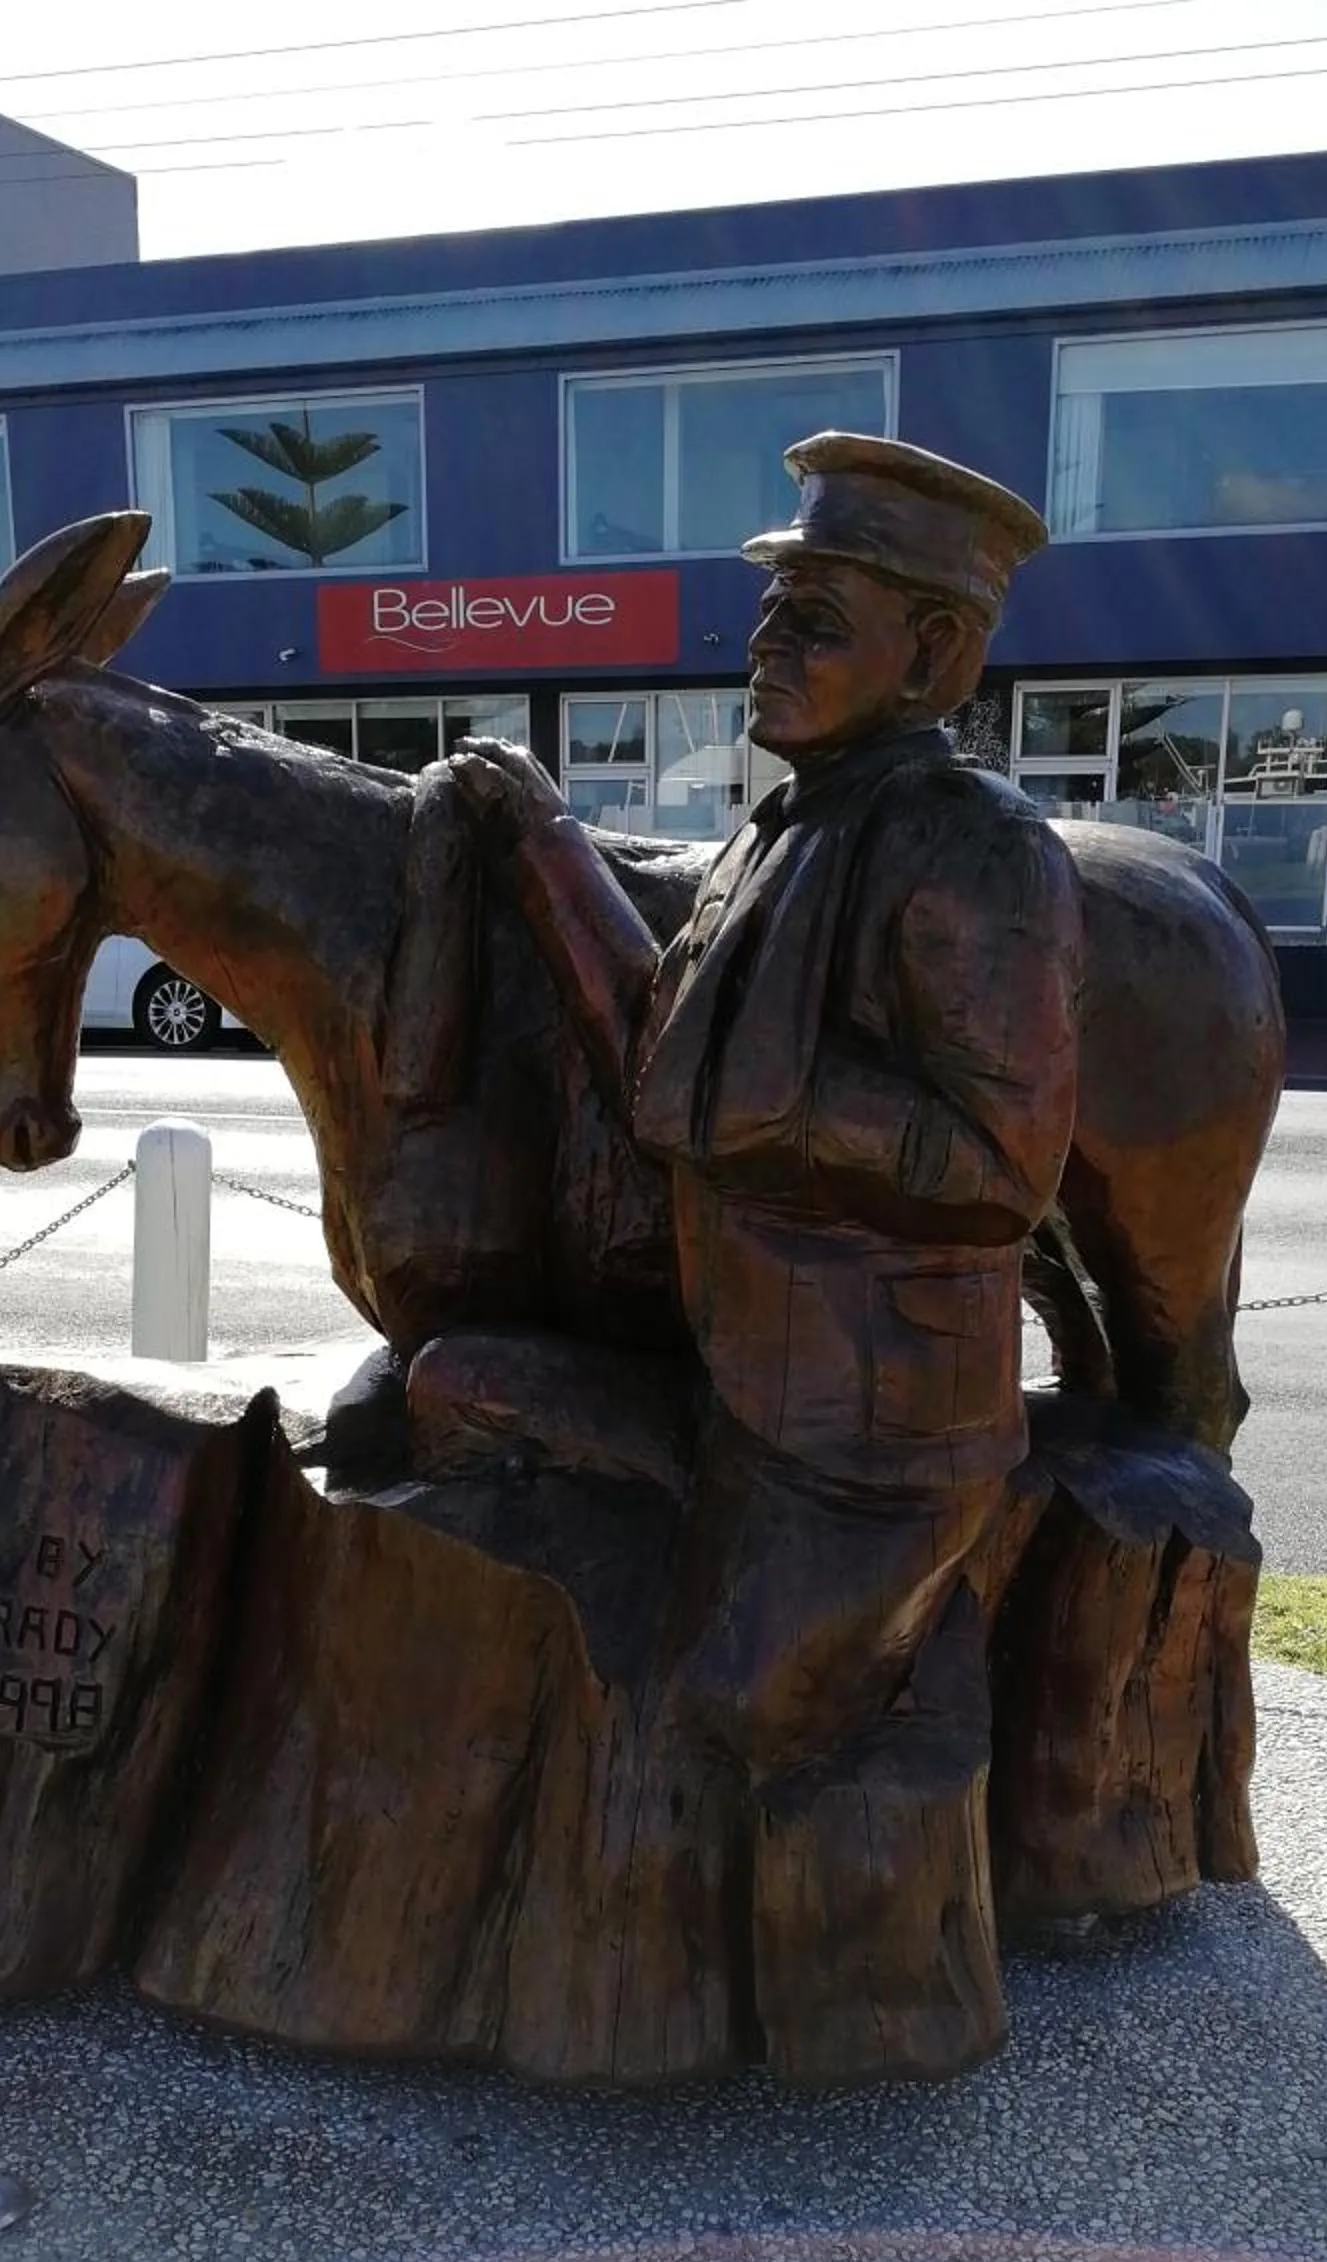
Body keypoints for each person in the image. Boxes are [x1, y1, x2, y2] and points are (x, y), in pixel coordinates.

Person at [448, 430, 1082, 1788]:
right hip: (734, 1388)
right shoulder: (771, 832)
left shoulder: (976, 849)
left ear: (931, 658)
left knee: (714, 1736)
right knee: (449, 1410)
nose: (764, 648)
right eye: (768, 617)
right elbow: (667, 1064)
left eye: (813, 623)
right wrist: (547, 846)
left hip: (875, 1448)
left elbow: (1003, 1166)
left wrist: (780, 1094)